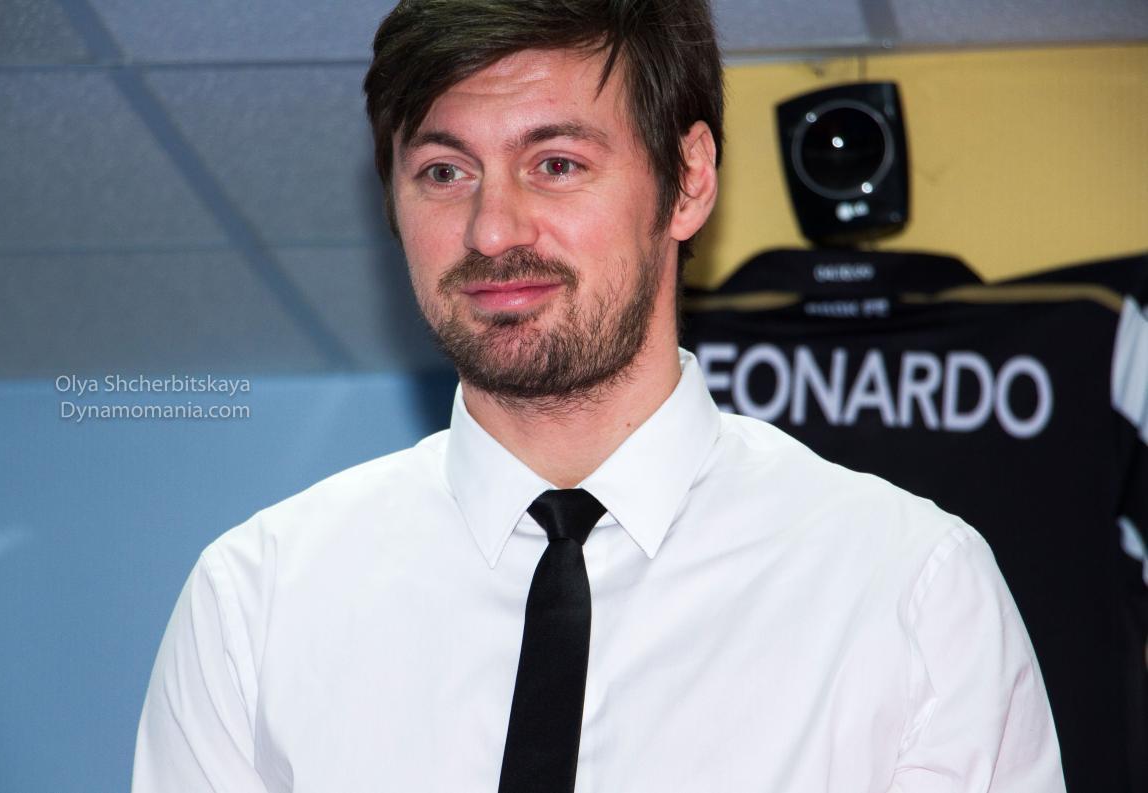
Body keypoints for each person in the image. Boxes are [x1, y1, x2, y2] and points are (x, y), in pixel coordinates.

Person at [133, 1, 1066, 791]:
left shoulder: (907, 589)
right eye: (444, 172)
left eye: (557, 163)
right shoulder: (256, 605)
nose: (492, 230)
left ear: (688, 181)